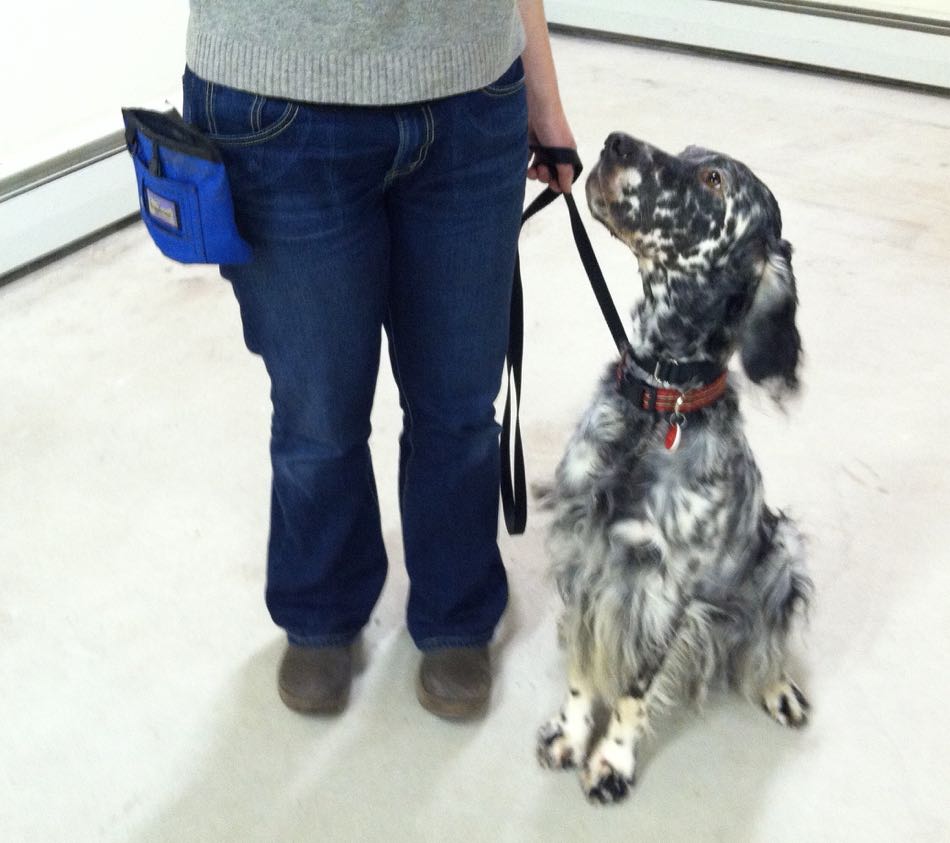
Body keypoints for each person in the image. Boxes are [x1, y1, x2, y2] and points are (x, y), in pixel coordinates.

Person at [182, 0, 575, 719]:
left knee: (459, 401)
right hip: (278, 98)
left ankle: (457, 607)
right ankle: (321, 606)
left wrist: (543, 93)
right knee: (317, 407)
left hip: (471, 88)